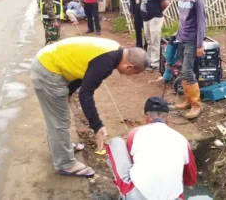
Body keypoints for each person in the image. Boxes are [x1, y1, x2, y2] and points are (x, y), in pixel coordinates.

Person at [31, 36, 148, 178]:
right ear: (129, 66)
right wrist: (97, 126)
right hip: (48, 69)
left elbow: (83, 72)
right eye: (133, 73)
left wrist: (69, 91)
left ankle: (61, 148)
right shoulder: (106, 62)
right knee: (59, 120)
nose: (129, 76)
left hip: (49, 59)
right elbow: (85, 94)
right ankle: (65, 164)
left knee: (57, 117)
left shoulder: (115, 50)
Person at [106, 97, 197, 200]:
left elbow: (132, 164)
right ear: (168, 118)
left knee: (116, 142)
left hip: (139, 196)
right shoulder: (183, 140)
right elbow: (191, 180)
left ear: (146, 118)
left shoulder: (135, 133)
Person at [173, 0, 206, 120]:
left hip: (192, 39)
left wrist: (200, 44)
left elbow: (201, 23)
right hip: (182, 37)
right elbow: (182, 19)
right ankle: (187, 99)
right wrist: (177, 35)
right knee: (182, 69)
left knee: (187, 70)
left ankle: (196, 104)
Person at [140, 0, 169, 71]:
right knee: (148, 40)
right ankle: (149, 60)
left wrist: (157, 11)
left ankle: (155, 63)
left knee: (155, 40)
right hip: (146, 18)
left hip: (155, 17)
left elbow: (165, 3)